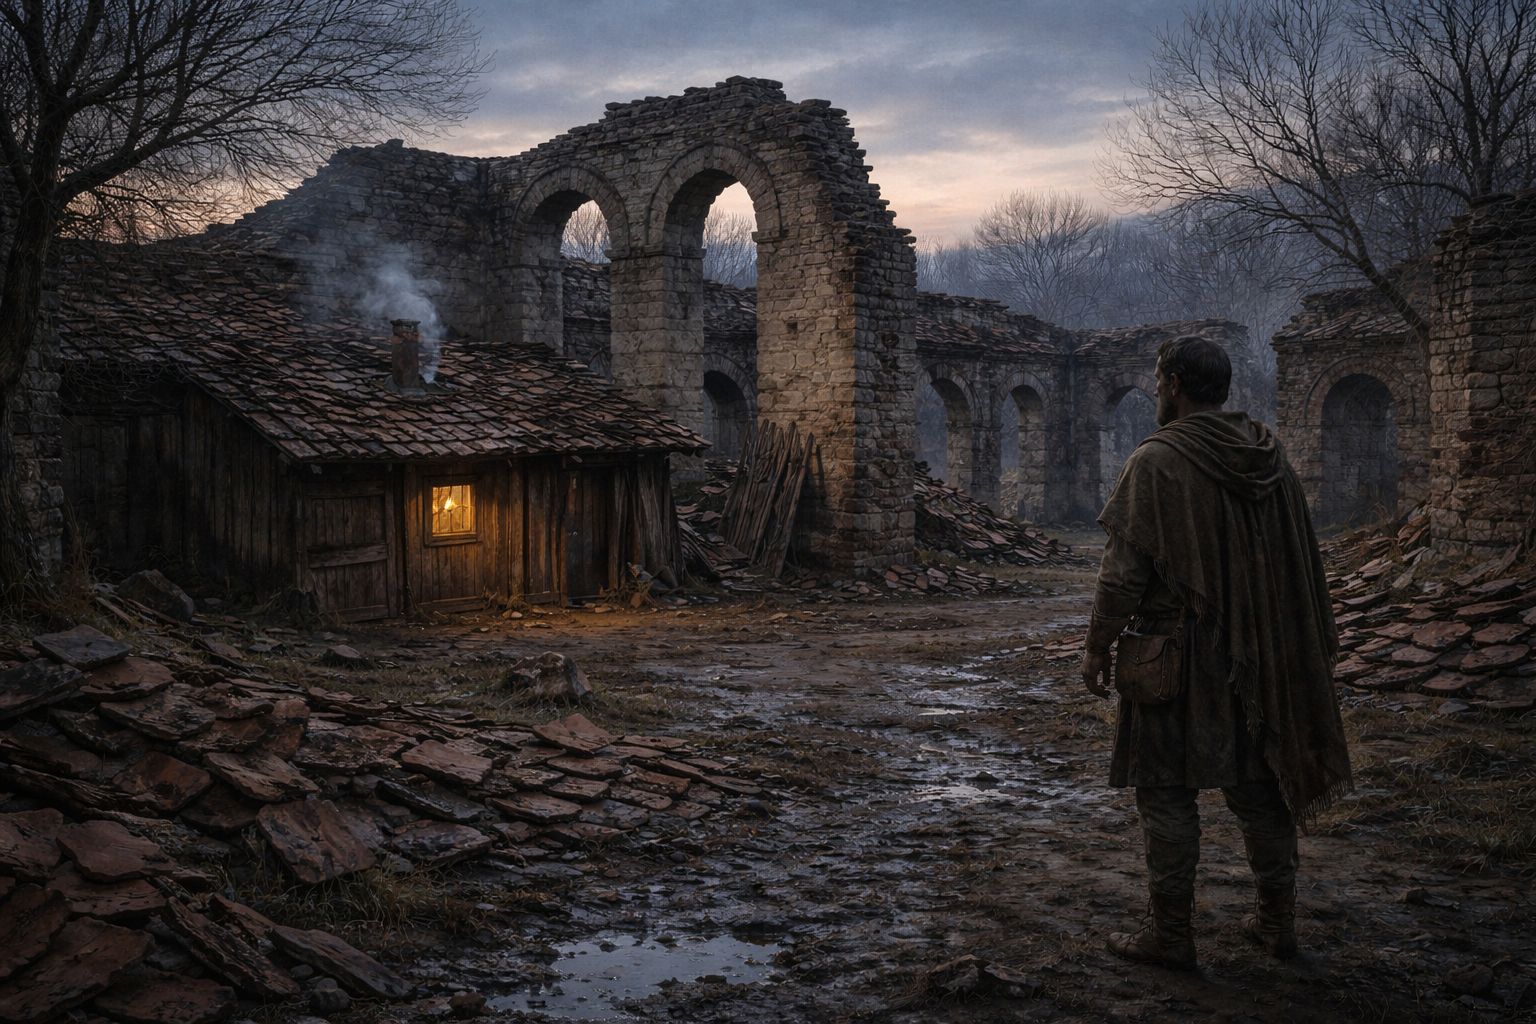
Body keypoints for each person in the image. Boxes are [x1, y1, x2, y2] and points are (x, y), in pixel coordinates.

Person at [1079, 335, 1353, 970]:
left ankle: (1171, 936)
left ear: (1175, 382)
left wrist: (1096, 647)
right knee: (1262, 788)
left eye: (1157, 379)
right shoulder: (1267, 454)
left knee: (1167, 790)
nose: (1154, 390)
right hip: (1260, 654)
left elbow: (1123, 573)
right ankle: (1275, 924)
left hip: (1175, 656)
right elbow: (1297, 560)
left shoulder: (1157, 460)